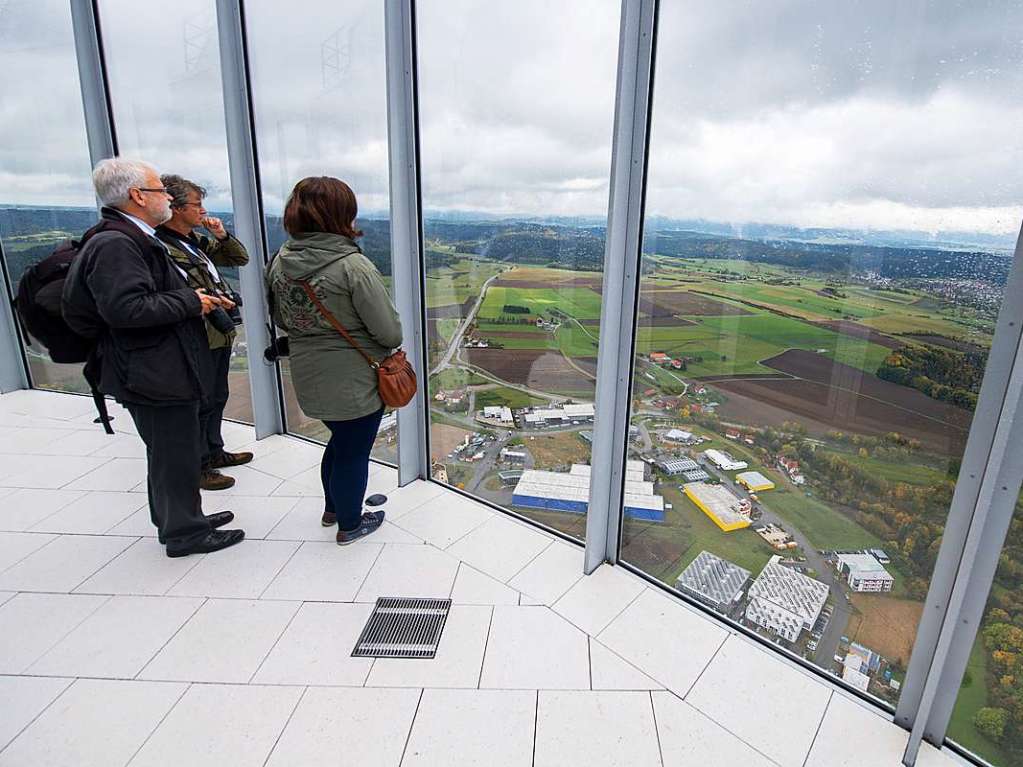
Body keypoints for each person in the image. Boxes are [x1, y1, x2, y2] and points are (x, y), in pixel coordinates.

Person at [62, 157, 245, 557]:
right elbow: (125, 309)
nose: (166, 196)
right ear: (137, 196)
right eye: (160, 189)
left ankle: (180, 518)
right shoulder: (117, 243)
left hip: (153, 364)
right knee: (174, 453)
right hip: (152, 368)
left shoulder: (127, 236)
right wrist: (190, 300)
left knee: (170, 450)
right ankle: (185, 534)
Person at [266, 177, 402, 545]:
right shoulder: (353, 267)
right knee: (354, 452)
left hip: (307, 371)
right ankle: (351, 524)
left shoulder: (279, 262)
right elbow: (390, 334)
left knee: (340, 442)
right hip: (354, 379)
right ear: (344, 214)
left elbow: (281, 319)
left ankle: (333, 509)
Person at [156, 174, 253, 491]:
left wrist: (222, 235)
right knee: (201, 400)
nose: (202, 211)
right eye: (197, 205)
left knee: (217, 395)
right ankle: (198, 466)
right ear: (176, 208)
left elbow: (239, 258)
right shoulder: (160, 246)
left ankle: (214, 451)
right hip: (195, 333)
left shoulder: (193, 242)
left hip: (216, 331)